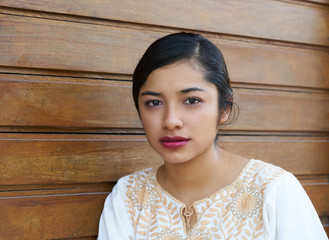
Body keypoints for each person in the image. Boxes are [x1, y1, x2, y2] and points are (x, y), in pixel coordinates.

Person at [97, 32, 327, 239]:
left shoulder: (273, 191)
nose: (170, 121)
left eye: (192, 100)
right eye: (154, 103)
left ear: (224, 108)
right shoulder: (128, 197)